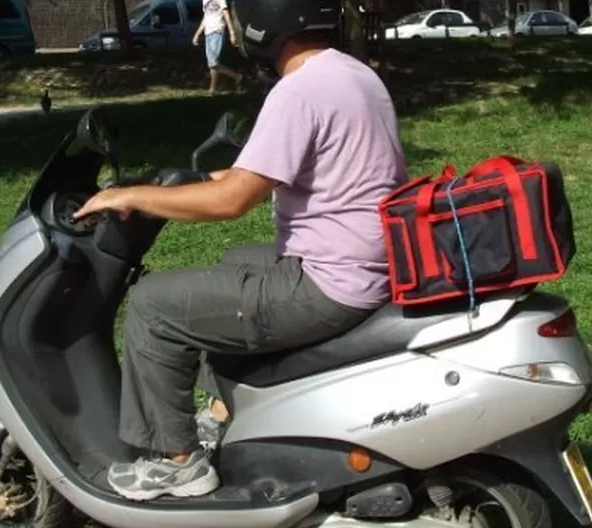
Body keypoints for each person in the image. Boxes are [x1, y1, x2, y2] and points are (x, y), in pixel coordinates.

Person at [72, 0, 408, 502]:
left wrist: (131, 195)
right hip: (368, 267)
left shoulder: (299, 91)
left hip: (330, 284)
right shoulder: (353, 74)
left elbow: (232, 202)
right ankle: (225, 413)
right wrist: (192, 180)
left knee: (154, 304)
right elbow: (259, 171)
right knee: (236, 264)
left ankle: (176, 464)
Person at [192, 0, 244, 96]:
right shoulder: (205, 1)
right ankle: (214, 89)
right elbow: (205, 18)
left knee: (213, 63)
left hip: (218, 31)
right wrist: (197, 34)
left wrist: (232, 33)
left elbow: (226, 13)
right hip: (208, 33)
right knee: (212, 63)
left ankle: (236, 77)